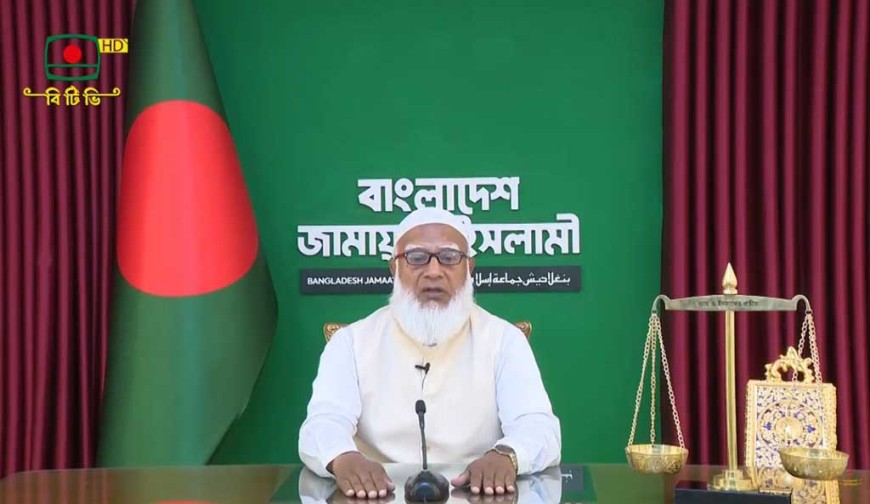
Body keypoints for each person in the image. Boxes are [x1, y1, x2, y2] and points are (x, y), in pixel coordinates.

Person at [298, 207, 562, 500]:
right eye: (416, 257)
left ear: (469, 267)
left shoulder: (504, 340)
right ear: (394, 268)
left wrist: (507, 455)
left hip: (477, 495)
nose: (434, 271)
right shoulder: (350, 342)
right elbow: (324, 421)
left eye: (449, 257)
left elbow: (538, 425)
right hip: (378, 496)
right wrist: (343, 457)